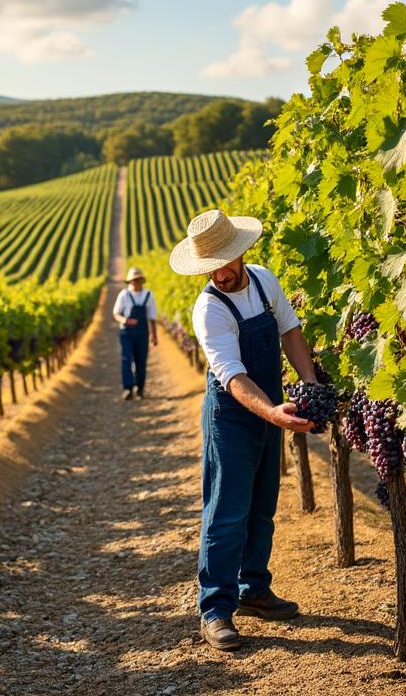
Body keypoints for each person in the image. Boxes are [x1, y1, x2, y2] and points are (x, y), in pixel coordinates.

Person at [169, 209, 318, 651]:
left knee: (262, 507)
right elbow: (233, 377)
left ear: (241, 253)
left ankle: (254, 589)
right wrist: (273, 413)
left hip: (269, 407)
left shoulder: (264, 280)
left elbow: (290, 331)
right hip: (232, 417)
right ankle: (215, 608)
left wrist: (310, 383)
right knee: (226, 513)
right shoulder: (209, 309)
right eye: (211, 268)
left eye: (225, 263)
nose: (220, 274)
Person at [113, 266, 158, 400]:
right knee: (126, 359)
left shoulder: (148, 295)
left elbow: (152, 317)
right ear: (130, 282)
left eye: (138, 280)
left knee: (141, 360)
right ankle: (128, 388)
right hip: (126, 332)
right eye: (134, 280)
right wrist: (125, 320)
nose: (136, 283)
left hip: (142, 333)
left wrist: (154, 335)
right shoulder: (124, 295)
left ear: (142, 281)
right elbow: (116, 313)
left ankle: (140, 388)